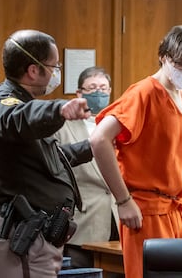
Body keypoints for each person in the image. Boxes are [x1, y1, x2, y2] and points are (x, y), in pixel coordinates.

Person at [90, 25, 182, 278]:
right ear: (164, 56)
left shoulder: (181, 96)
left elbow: (172, 156)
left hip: (172, 208)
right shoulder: (144, 93)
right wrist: (123, 200)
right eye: (180, 64)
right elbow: (99, 139)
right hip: (145, 211)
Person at [0, 29, 93, 278]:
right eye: (54, 66)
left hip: (36, 236)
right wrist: (60, 109)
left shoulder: (23, 103)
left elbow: (47, 158)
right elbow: (18, 118)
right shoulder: (5, 103)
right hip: (23, 236)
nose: (56, 72)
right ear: (33, 70)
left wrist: (91, 147)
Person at [54, 66, 120, 268]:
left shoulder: (120, 123)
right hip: (82, 223)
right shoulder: (62, 126)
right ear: (79, 93)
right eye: (92, 88)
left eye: (103, 88)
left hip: (117, 220)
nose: (99, 93)